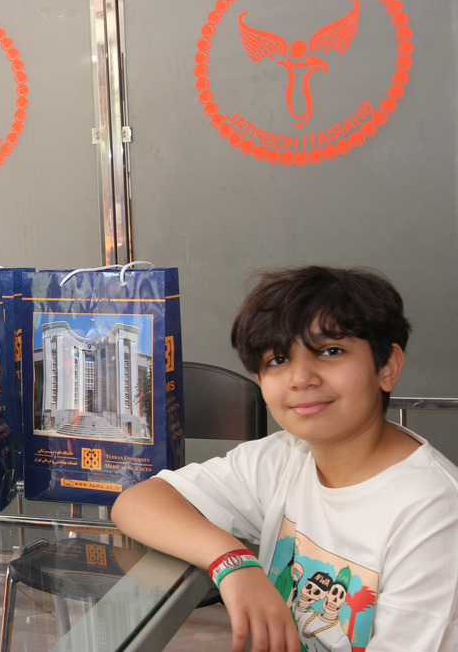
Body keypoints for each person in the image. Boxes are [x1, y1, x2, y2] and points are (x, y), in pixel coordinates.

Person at [111, 265, 458, 651]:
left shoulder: (434, 513)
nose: (301, 378)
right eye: (278, 360)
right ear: (260, 382)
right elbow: (137, 503)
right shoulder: (284, 456)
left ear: (387, 367)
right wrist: (233, 561)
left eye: (331, 351)